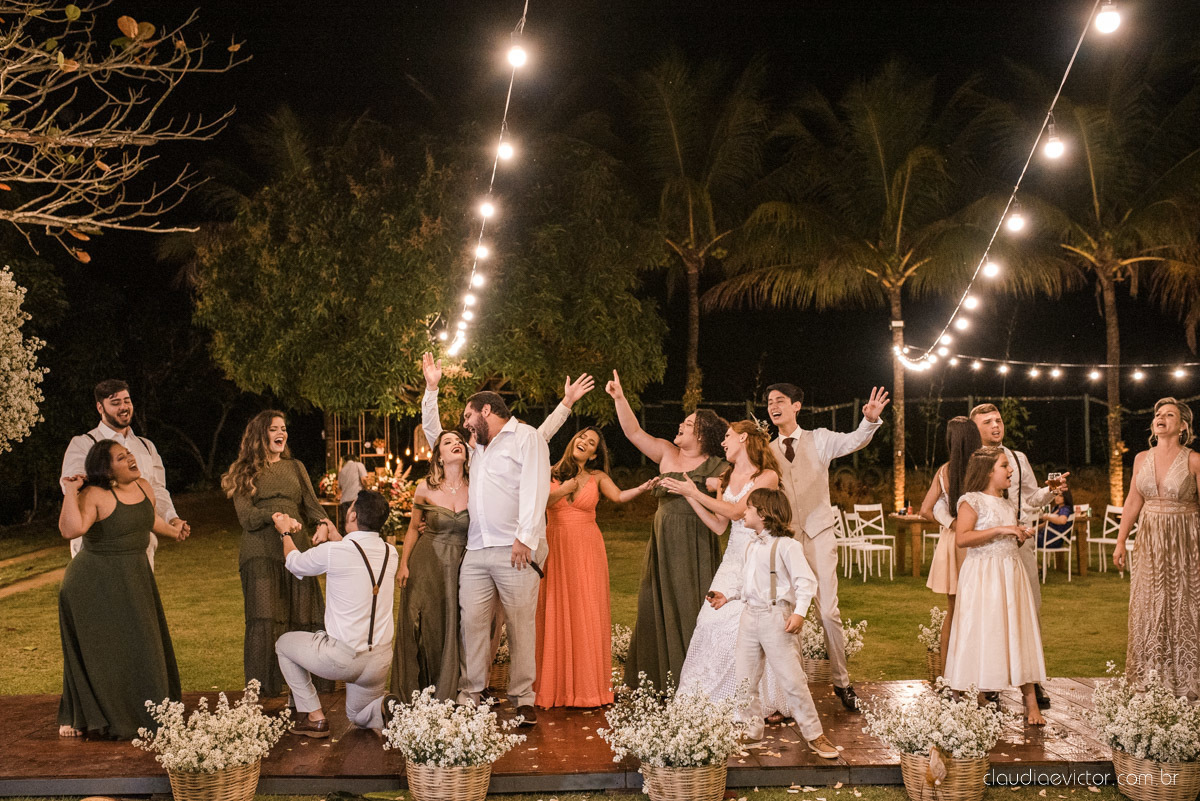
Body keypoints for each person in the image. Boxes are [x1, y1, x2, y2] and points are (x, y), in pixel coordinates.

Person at [764, 383, 890, 711]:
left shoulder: (818, 439)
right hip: (786, 541)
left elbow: (853, 440)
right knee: (785, 613)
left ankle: (842, 682)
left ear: (796, 406)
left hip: (819, 535)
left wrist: (869, 421)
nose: (773, 406)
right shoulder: (767, 451)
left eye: (780, 401)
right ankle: (789, 689)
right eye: (769, 402)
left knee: (828, 612)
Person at [605, 369, 730, 691]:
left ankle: (697, 683)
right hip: (663, 542)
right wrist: (620, 398)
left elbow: (723, 514)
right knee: (656, 605)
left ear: (702, 434)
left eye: (688, 424)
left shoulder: (719, 467)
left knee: (692, 605)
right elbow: (633, 432)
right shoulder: (666, 452)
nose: (680, 425)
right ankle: (660, 679)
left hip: (695, 542)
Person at [57, 440, 186, 738]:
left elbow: (149, 520)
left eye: (128, 454)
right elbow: (70, 530)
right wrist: (71, 492)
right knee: (104, 652)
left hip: (134, 576)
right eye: (120, 457)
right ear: (106, 469)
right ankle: (94, 715)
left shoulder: (143, 487)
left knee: (143, 645)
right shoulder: (95, 494)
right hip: (93, 584)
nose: (130, 458)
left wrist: (174, 531)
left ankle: (149, 711)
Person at [666, 420, 790, 720]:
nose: (723, 442)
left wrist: (696, 493)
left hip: (759, 560)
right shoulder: (725, 478)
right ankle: (709, 697)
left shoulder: (767, 476)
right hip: (732, 561)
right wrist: (689, 495)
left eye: (727, 436)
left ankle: (763, 701)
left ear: (744, 438)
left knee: (755, 628)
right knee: (710, 623)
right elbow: (720, 525)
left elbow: (737, 511)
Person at [706, 488, 839, 758]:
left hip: (776, 617)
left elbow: (806, 582)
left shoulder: (788, 546)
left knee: (792, 680)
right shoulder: (751, 546)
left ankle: (814, 734)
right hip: (749, 617)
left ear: (764, 514)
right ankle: (752, 730)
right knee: (745, 679)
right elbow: (748, 584)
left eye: (749, 508)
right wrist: (728, 596)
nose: (744, 512)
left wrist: (799, 613)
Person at [536, 427, 657, 708]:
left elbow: (619, 496)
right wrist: (563, 490)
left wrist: (642, 488)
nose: (585, 442)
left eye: (591, 443)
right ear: (573, 440)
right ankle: (555, 687)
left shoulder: (597, 477)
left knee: (586, 609)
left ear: (593, 455)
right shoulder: (548, 471)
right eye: (582, 437)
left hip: (588, 549)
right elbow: (536, 504)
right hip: (556, 545)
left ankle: (587, 689)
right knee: (555, 608)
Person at [222, 410, 338, 697]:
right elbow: (247, 517)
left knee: (306, 612)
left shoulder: (295, 467)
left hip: (296, 549)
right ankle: (264, 689)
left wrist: (323, 525)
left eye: (284, 428)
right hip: (260, 551)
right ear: (260, 434)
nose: (281, 433)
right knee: (265, 617)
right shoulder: (243, 471)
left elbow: (313, 506)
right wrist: (275, 517)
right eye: (274, 428)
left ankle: (315, 685)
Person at [455, 390, 551, 727]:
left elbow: (536, 487)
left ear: (485, 410)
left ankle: (523, 699)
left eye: (468, 416)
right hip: (476, 550)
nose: (465, 424)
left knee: (520, 626)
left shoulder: (526, 437)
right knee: (472, 625)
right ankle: (470, 694)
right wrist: (431, 390)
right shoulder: (477, 447)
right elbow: (434, 435)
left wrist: (525, 537)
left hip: (515, 550)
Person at [276, 489, 400, 737]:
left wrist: (285, 532)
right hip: (379, 660)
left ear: (353, 515)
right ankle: (383, 708)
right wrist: (338, 536)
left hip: (343, 658)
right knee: (358, 716)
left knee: (283, 645)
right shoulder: (391, 552)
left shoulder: (335, 552)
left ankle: (314, 716)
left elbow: (294, 562)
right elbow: (358, 556)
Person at [970, 403, 1065, 709]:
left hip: (1020, 546)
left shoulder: (1018, 459)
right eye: (987, 421)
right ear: (975, 428)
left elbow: (1032, 499)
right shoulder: (971, 459)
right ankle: (989, 683)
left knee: (1029, 612)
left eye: (998, 420)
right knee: (989, 616)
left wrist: (1050, 491)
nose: (996, 425)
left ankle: (1033, 681)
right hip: (984, 550)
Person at [944, 446, 1046, 726]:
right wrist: (1003, 530)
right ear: (988, 472)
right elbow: (962, 538)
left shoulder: (1007, 503)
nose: (1011, 470)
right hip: (983, 575)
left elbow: (1008, 538)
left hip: (1010, 573)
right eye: (1004, 466)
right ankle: (966, 693)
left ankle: (1030, 703)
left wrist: (1019, 535)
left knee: (1018, 630)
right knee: (980, 630)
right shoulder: (971, 500)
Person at [1115, 398, 1200, 700]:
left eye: (1169, 414)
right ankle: (1150, 679)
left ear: (1183, 425)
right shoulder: (1141, 459)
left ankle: (1186, 680)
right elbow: (1133, 501)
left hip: (1185, 541)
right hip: (1149, 540)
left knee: (1184, 606)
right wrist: (1121, 540)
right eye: (1158, 414)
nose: (1161, 418)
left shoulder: (1194, 460)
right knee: (1149, 605)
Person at [60, 379, 190, 570]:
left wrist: (172, 518)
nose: (123, 407)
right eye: (115, 403)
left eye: (127, 401)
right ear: (100, 407)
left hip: (140, 547)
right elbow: (74, 489)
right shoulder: (84, 443)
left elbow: (157, 491)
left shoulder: (145, 446)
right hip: (101, 548)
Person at [391, 428, 471, 701]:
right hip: (426, 563)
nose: (456, 444)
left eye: (459, 441)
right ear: (439, 457)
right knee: (422, 625)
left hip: (461, 566)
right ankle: (415, 689)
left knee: (452, 624)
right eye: (448, 442)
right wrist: (404, 564)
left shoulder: (477, 486)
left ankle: (449, 687)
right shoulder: (425, 488)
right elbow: (414, 528)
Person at [918, 416, 982, 672]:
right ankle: (976, 673)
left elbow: (925, 509)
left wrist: (950, 522)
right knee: (978, 610)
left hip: (953, 543)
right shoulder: (981, 468)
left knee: (953, 611)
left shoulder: (945, 471)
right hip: (976, 540)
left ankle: (947, 674)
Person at [337, 453, 369, 523]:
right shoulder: (358, 465)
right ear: (355, 459)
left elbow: (339, 488)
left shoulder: (342, 471)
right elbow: (364, 480)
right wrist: (367, 489)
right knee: (358, 524)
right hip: (356, 500)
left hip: (344, 501)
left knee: (347, 524)